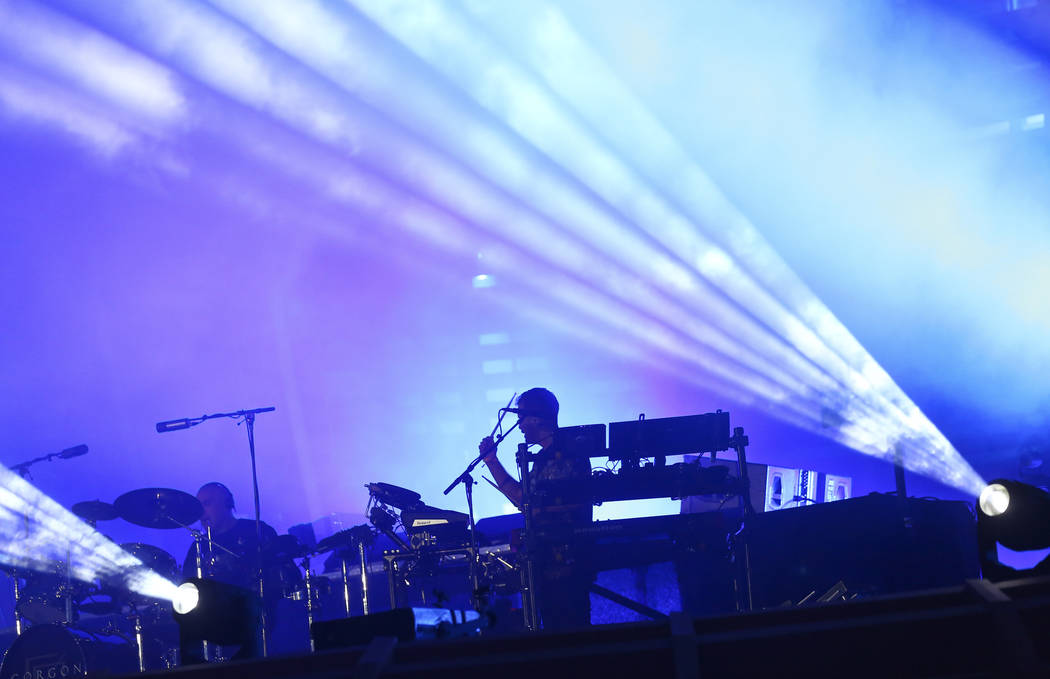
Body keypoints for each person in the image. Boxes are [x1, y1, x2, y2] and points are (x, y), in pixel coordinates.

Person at [479, 388, 593, 631]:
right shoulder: (545, 457)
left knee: (569, 635)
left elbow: (526, 501)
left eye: (521, 418)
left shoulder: (565, 455)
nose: (519, 425)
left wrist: (492, 462)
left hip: (565, 568)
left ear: (537, 418)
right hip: (550, 566)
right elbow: (527, 500)